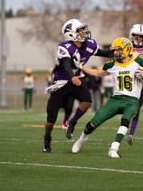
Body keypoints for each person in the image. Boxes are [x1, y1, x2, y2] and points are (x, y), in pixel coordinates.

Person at [71, 37, 143, 158]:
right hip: (116, 99)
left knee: (126, 120)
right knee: (95, 121)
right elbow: (96, 73)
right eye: (114, 50)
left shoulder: (140, 61)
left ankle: (113, 148)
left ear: (126, 49)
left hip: (132, 101)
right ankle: (81, 139)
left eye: (118, 50)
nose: (115, 53)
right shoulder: (112, 64)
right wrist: (81, 67)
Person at [42, 18, 111, 153]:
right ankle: (47, 139)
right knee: (51, 120)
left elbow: (105, 53)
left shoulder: (89, 44)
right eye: (80, 30)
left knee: (87, 101)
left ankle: (72, 122)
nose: (84, 32)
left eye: (83, 29)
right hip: (61, 83)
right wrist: (72, 76)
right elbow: (67, 63)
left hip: (76, 81)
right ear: (71, 33)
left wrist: (118, 53)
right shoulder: (65, 47)